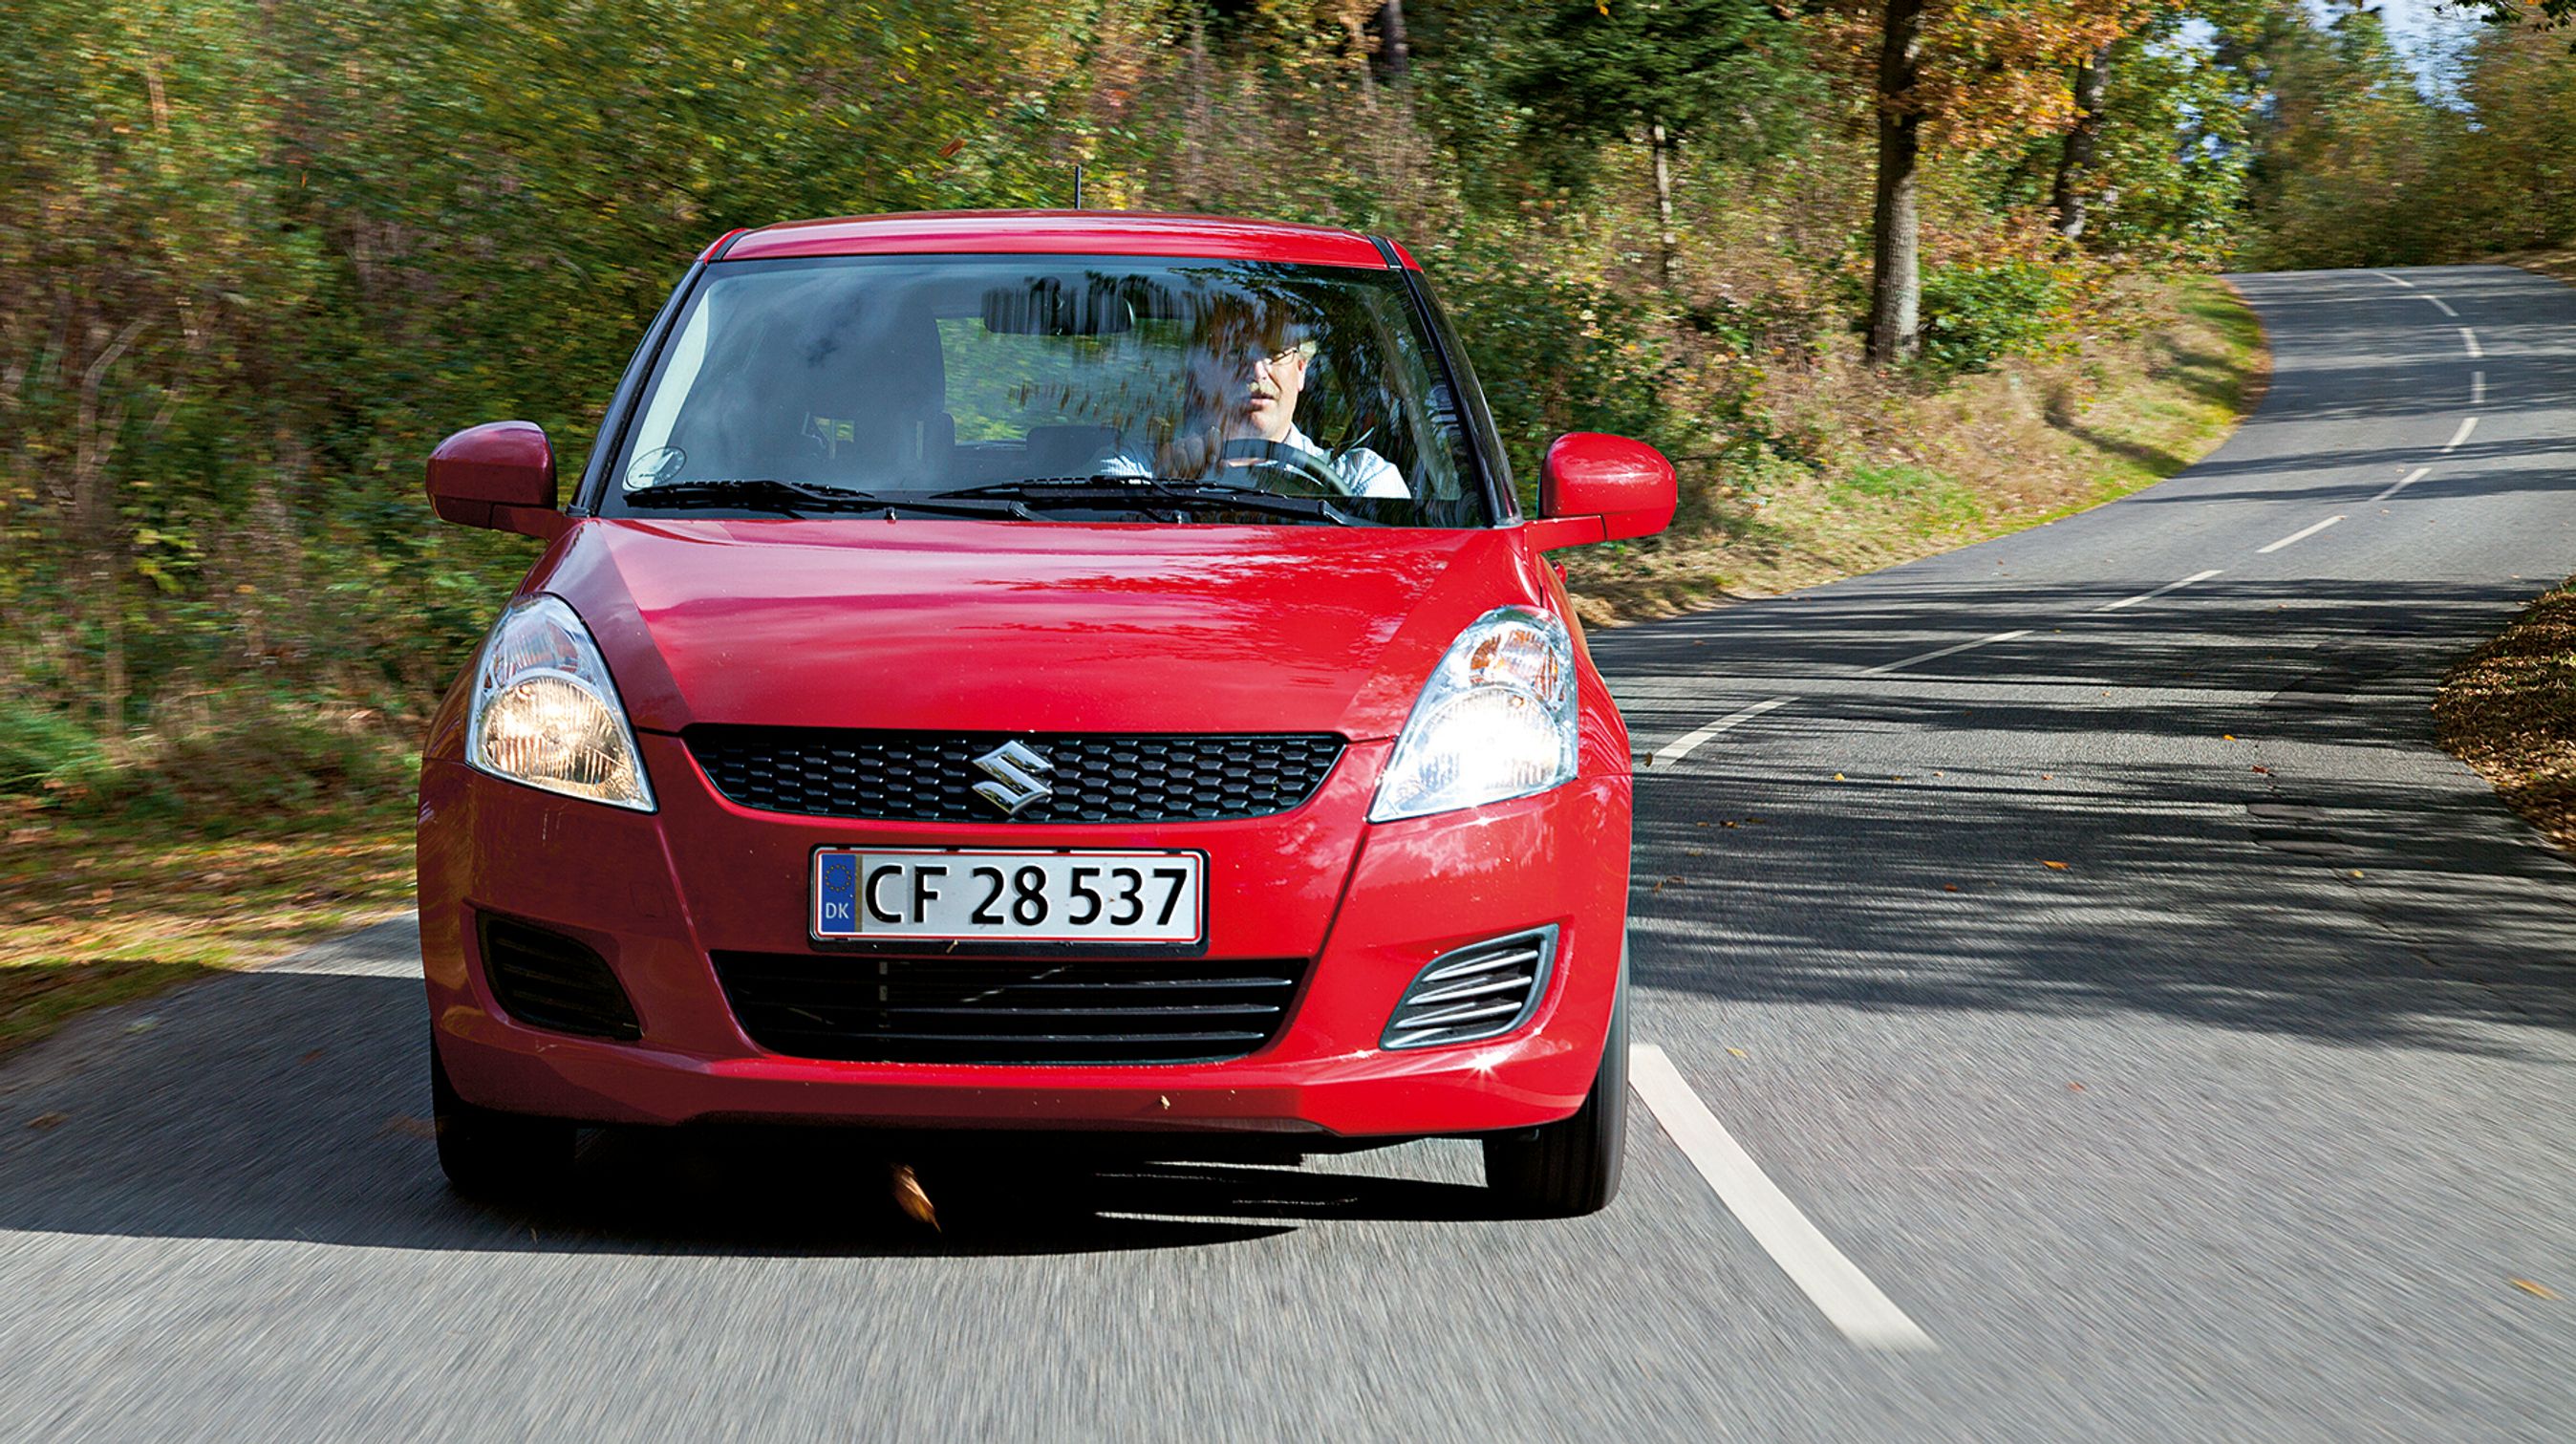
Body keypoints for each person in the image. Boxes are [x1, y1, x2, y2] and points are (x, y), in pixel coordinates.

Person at [1095, 296, 1406, 498]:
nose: (1257, 371)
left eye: (1273, 352)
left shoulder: (1359, 480)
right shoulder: (1141, 469)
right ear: (1201, 372)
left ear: (1301, 369)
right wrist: (1160, 494)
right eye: (1234, 351)